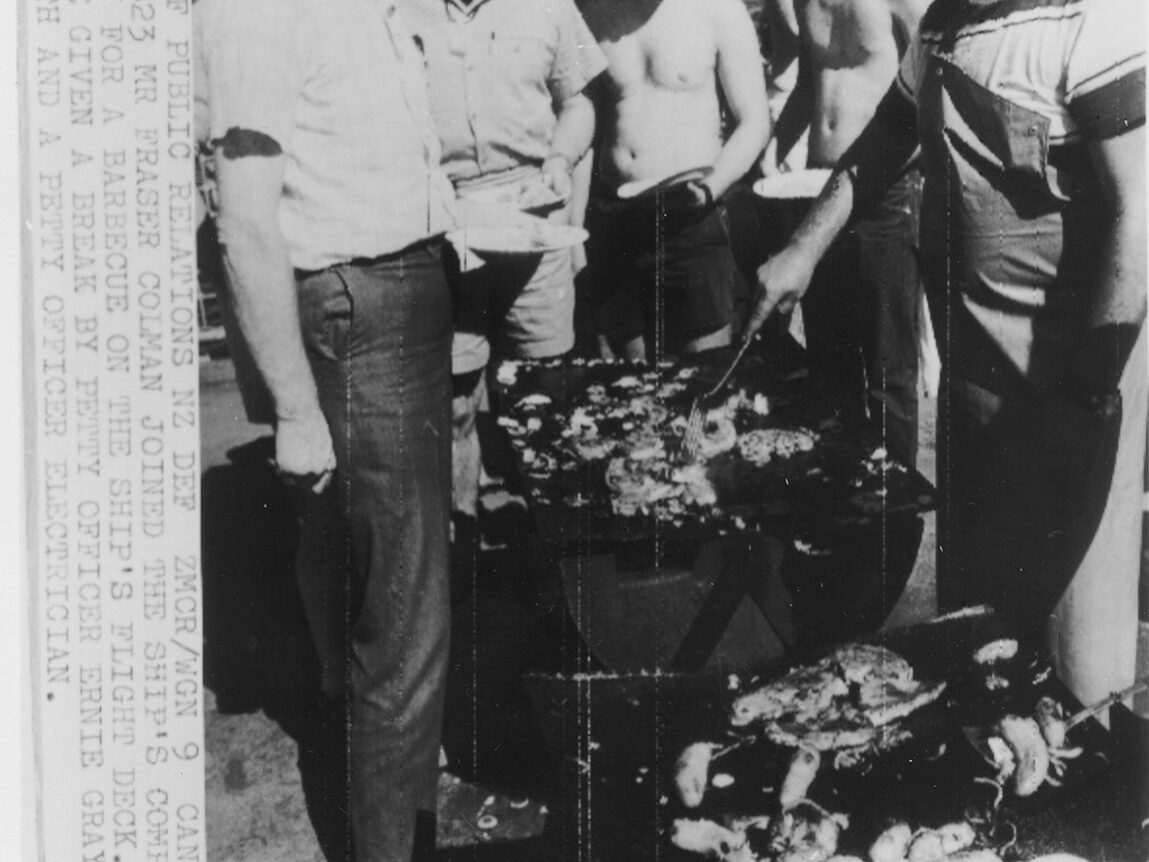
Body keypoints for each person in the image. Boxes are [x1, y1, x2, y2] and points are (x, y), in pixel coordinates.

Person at [746, 0, 1147, 713]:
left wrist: (1088, 397)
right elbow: (884, 138)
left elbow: (1138, 215)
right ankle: (984, 793)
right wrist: (803, 247)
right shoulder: (944, 24)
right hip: (973, 378)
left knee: (1069, 651)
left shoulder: (1097, 22)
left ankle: (1079, 803)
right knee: (978, 627)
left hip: (1077, 384)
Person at [196, 0, 457, 858]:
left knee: (381, 605)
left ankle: (393, 802)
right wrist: (298, 414)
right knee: (402, 628)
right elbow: (242, 219)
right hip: (359, 315)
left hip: (393, 298)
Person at [405, 0, 607, 528]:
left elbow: (581, 102)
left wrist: (561, 160)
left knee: (546, 402)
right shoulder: (397, 11)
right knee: (455, 404)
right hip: (444, 228)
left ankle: (556, 560)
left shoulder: (551, 6)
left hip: (535, 221)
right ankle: (464, 557)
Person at [763, 0, 929, 464]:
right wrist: (773, 146)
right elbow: (807, 82)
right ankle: (839, 506)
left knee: (887, 371)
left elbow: (927, 96)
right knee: (829, 362)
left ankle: (894, 519)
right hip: (817, 190)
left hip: (886, 191)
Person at [578, 0, 771, 363]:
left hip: (691, 221)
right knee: (622, 389)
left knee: (701, 382)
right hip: (616, 224)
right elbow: (583, 124)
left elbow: (754, 120)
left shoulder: (719, 10)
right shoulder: (593, 11)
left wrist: (711, 187)